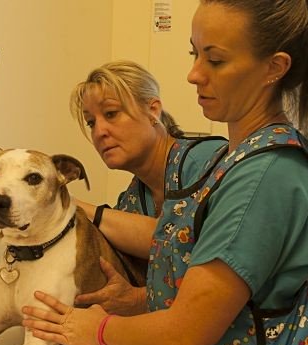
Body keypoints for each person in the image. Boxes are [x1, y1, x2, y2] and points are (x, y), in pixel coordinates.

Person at [22, 1, 308, 345]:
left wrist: (97, 329)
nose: (194, 75)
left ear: (273, 68)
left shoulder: (264, 174)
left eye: (215, 60)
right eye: (195, 55)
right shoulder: (235, 162)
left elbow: (185, 334)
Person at [68, 60, 227, 315]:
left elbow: (192, 248)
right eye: (91, 122)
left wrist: (68, 206)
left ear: (153, 110)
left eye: (111, 114)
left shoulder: (209, 163)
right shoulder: (132, 200)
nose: (99, 131)